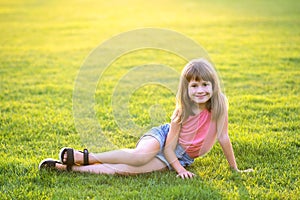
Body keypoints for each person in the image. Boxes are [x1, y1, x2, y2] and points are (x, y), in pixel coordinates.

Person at [39, 58, 253, 179]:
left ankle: (68, 168)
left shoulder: (220, 103)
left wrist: (234, 169)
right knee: (140, 156)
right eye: (194, 86)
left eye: (205, 84)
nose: (200, 90)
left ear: (213, 86)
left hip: (184, 155)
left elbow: (223, 137)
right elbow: (169, 148)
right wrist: (180, 171)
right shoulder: (182, 112)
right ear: (186, 89)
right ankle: (85, 156)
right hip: (163, 139)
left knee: (127, 171)